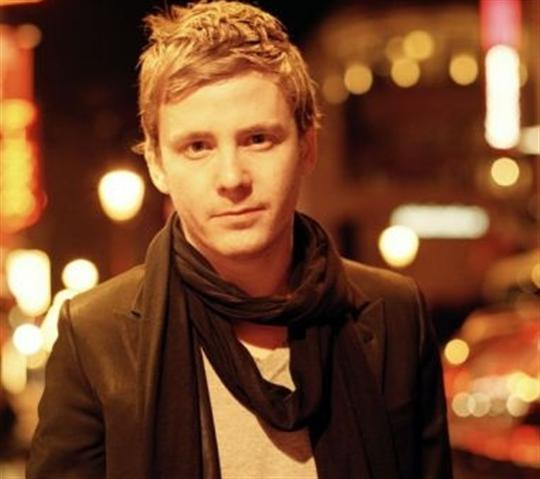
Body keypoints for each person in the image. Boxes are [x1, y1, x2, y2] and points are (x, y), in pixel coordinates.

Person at [27, 1, 452, 478]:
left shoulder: (396, 315)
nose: (232, 178)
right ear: (157, 165)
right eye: (197, 147)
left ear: (307, 146)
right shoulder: (94, 336)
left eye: (257, 140)